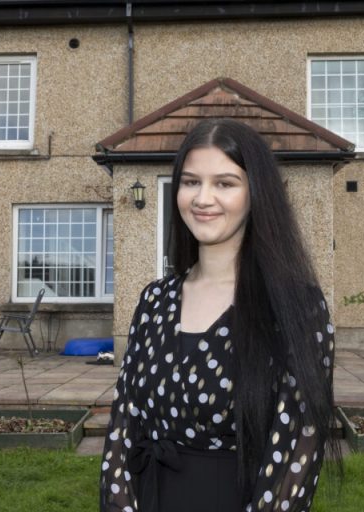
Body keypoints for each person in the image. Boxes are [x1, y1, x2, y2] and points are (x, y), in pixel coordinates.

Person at [100, 118, 340, 512]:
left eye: (224, 183)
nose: (202, 198)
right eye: (191, 181)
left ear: (255, 193)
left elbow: (297, 451)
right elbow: (123, 425)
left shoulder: (296, 308)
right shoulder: (153, 301)